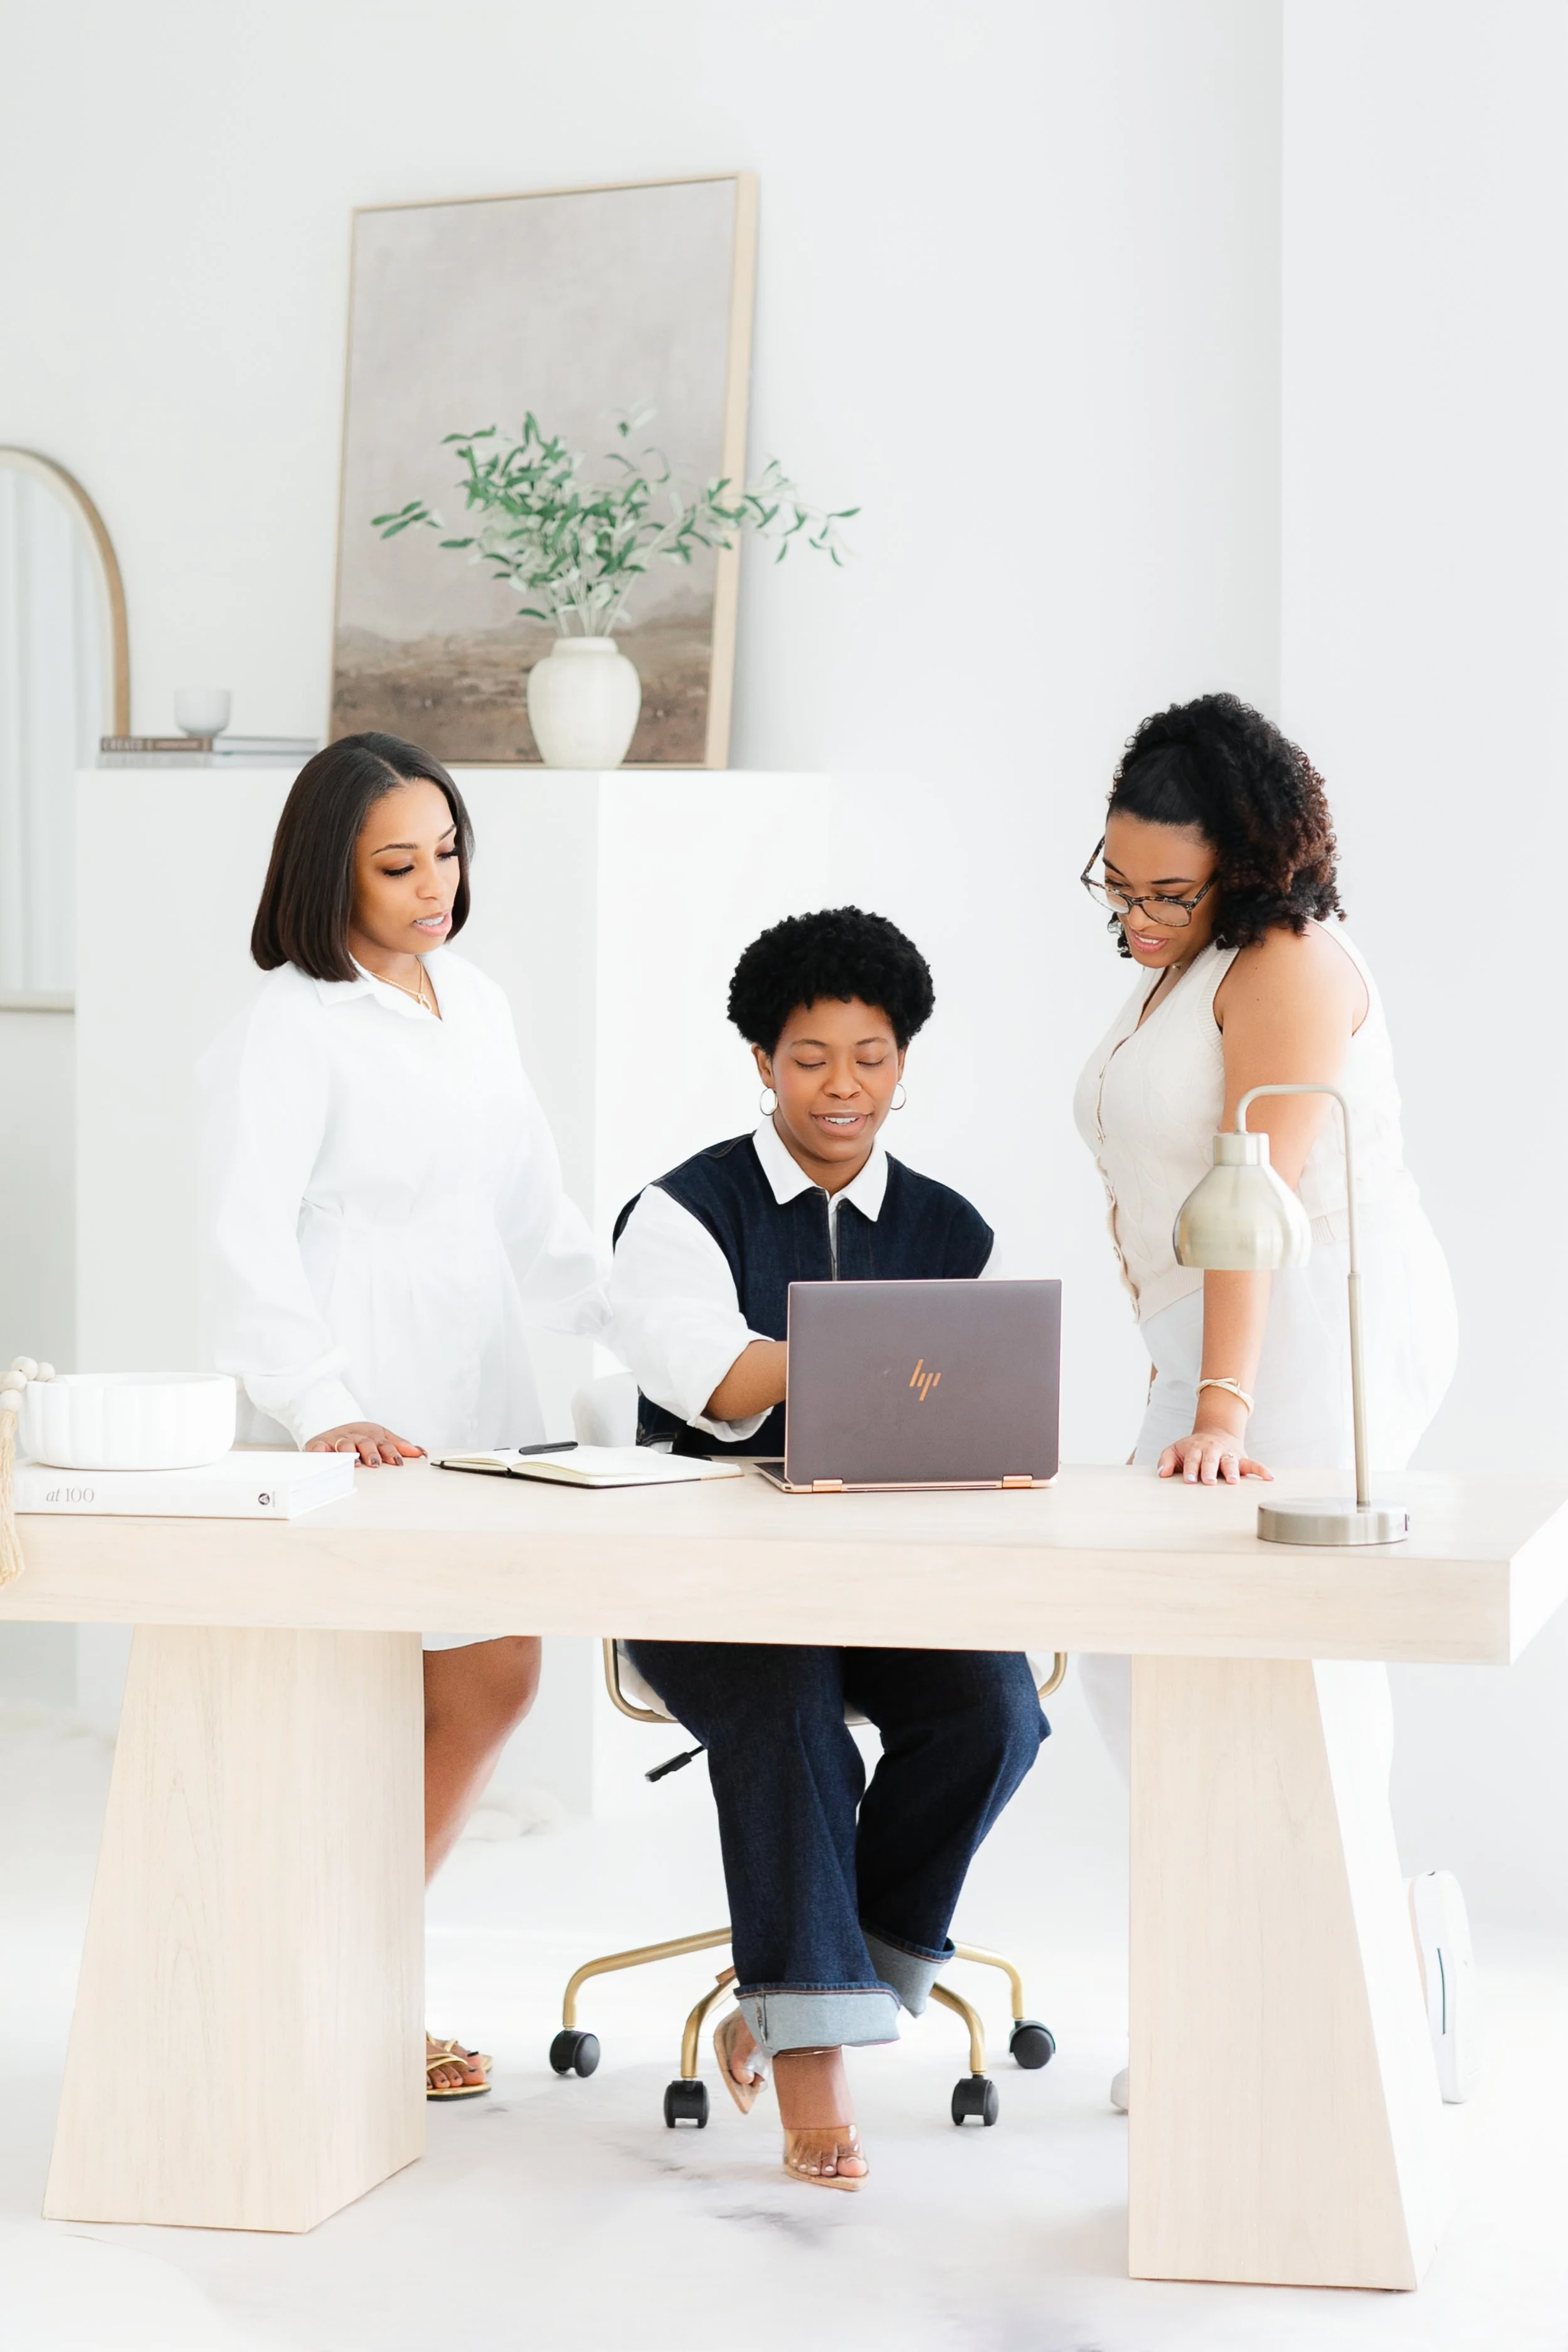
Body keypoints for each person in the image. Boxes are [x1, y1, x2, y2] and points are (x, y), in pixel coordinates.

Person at [607, 906, 1047, 2190]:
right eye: (809, 1058)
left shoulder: (955, 1231)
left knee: (994, 1714)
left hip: (891, 1574)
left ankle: (816, 1980)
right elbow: (721, 1385)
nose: (841, 1087)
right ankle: (815, 2070)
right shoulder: (681, 1213)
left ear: (903, 1063)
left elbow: (987, 1405)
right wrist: (896, 1364)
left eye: (869, 1056)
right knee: (789, 1705)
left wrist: (929, 1383)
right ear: (760, 1062)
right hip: (707, 1573)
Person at [201, 731, 607, 2099]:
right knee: (361, 1712)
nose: (433, 884)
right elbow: (246, 1238)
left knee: (493, 1674)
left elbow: (538, 1223)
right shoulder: (293, 1021)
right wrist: (321, 1406)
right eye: (397, 863)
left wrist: (673, 1318)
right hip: (355, 1393)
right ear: (332, 872)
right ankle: (333, 2003)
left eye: (445, 853)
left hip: (479, 1384)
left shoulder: (471, 999)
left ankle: (347, 1987)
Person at [1073, 691, 1461, 2104]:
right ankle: (1261, 1983)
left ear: (1248, 863)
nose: (1133, 915)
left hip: (1309, 1325)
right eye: (1114, 886)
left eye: (1164, 890)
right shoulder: (1189, 955)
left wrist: (1221, 1407)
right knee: (1139, 1651)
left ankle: (1336, 2002)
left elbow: (1255, 1196)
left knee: (1282, 1652)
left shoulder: (1285, 959)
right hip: (1217, 1332)